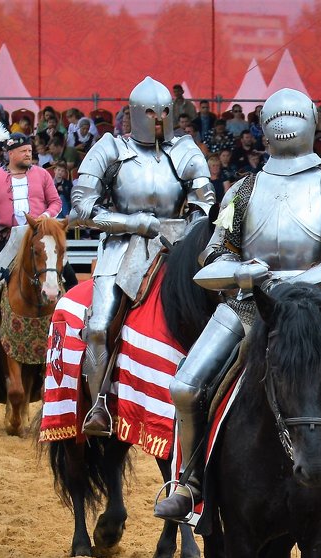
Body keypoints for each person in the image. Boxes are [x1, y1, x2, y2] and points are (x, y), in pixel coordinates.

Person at [152, 87, 321, 542]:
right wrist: (248, 273)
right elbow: (212, 260)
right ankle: (188, 482)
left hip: (319, 309)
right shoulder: (244, 189)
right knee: (186, 386)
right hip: (248, 305)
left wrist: (301, 284)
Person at [70, 75, 215, 437]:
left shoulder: (185, 150)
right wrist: (134, 223)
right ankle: (99, 405)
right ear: (135, 113)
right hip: (123, 248)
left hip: (179, 246)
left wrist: (190, 231)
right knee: (100, 326)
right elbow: (81, 208)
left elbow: (204, 202)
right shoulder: (109, 149)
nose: (159, 118)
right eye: (151, 112)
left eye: (165, 111)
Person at [0, 132, 65, 344]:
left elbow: (56, 203)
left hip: (39, 234)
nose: (28, 154)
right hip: (10, 237)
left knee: (66, 271)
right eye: (23, 151)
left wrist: (45, 216)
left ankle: (75, 319)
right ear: (10, 153)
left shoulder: (42, 175)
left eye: (30, 151)